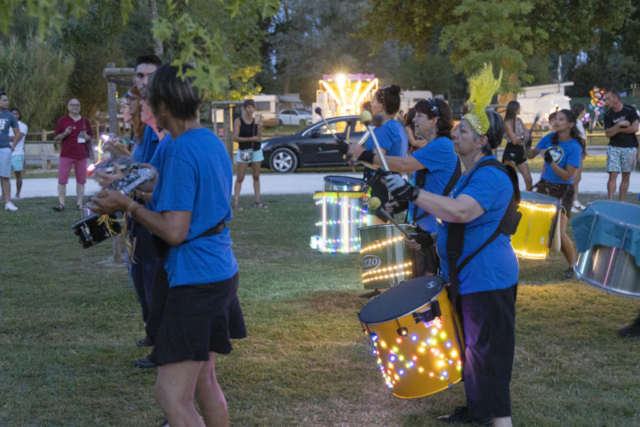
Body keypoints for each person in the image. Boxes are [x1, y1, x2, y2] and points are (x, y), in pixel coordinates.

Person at [89, 63, 246, 427]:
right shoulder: (208, 140)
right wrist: (132, 189)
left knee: (171, 396)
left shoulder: (178, 150)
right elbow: (183, 195)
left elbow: (174, 230)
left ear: (160, 105)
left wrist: (125, 204)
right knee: (205, 381)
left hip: (196, 280)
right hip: (220, 271)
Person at [383, 65, 517, 427]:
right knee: (471, 349)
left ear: (482, 141)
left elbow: (460, 212)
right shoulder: (470, 173)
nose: (456, 131)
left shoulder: (490, 174)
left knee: (489, 354)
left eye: (465, 130)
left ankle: (498, 419)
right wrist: (429, 236)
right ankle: (477, 412)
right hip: (467, 276)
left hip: (488, 278)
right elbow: (449, 217)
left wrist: (413, 192)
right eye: (458, 127)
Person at [349, 98, 459, 277]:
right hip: (421, 232)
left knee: (427, 294)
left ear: (434, 121)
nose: (413, 119)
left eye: (420, 115)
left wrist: (364, 155)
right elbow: (427, 187)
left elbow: (403, 164)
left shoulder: (442, 145)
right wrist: (403, 204)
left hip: (431, 233)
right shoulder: (433, 146)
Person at [526, 109, 584, 280]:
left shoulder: (574, 146)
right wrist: (527, 144)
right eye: (554, 119)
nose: (556, 122)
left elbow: (567, 175)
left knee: (560, 231)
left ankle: (574, 267)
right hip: (545, 186)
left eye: (561, 119)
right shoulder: (549, 138)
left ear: (571, 124)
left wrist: (550, 160)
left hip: (563, 190)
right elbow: (530, 155)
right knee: (535, 222)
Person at [362, 85, 408, 225]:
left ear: (380, 106)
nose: (371, 104)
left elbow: (377, 161)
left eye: (374, 101)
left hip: (381, 186)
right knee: (383, 231)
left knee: (376, 234)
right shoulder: (397, 126)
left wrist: (356, 155)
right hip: (391, 184)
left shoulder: (385, 129)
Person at [52, 98, 93, 211]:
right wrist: (65, 133)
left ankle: (79, 204)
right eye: (73, 105)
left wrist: (86, 137)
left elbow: (90, 136)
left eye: (77, 105)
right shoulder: (62, 121)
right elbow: (56, 138)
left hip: (81, 155)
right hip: (66, 154)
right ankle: (61, 204)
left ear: (80, 107)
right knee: (62, 180)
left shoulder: (85, 121)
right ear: (68, 107)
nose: (75, 107)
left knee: (81, 180)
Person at [603, 89, 639, 201]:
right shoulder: (608, 115)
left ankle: (621, 201)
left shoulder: (630, 110)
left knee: (626, 175)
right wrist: (619, 124)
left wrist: (617, 130)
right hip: (614, 147)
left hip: (630, 147)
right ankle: (610, 201)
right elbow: (608, 133)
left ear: (615, 98)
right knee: (612, 175)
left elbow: (634, 128)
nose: (606, 101)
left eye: (608, 99)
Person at [232, 99, 266, 210]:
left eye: (252, 107)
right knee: (240, 177)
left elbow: (259, 137)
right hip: (244, 151)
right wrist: (251, 138)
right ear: (244, 108)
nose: (250, 110)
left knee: (256, 176)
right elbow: (235, 138)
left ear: (254, 108)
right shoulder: (239, 121)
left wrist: (260, 128)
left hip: (256, 150)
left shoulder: (257, 120)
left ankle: (258, 201)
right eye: (248, 107)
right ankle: (236, 203)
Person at [502, 101, 533, 191]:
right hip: (511, 151)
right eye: (519, 107)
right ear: (515, 109)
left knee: (529, 180)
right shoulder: (507, 123)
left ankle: (528, 201)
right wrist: (523, 136)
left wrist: (522, 136)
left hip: (520, 150)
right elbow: (514, 141)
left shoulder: (519, 120)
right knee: (512, 180)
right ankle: (511, 202)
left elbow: (527, 133)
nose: (520, 109)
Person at [0, 91, 22, 211]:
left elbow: (17, 133)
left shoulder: (9, 116)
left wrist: (12, 146)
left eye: (7, 100)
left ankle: (8, 202)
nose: (7, 102)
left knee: (5, 176)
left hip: (4, 149)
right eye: (4, 100)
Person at [571, 103, 587, 212]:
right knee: (574, 177)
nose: (585, 112)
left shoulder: (579, 122)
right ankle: (570, 201)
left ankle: (575, 201)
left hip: (580, 152)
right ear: (581, 111)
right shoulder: (575, 123)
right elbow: (581, 139)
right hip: (576, 152)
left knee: (578, 178)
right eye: (584, 110)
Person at [8, 107, 27, 200]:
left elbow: (18, 137)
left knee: (18, 174)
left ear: (19, 115)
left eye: (17, 114)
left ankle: (17, 194)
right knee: (4, 175)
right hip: (5, 152)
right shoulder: (6, 124)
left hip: (17, 153)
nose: (15, 115)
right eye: (13, 113)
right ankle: (5, 194)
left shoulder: (22, 126)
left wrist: (4, 137)